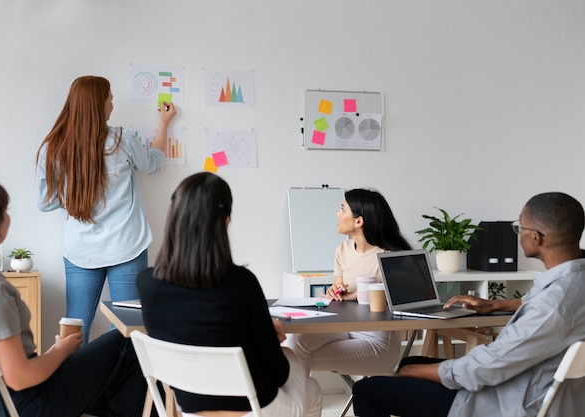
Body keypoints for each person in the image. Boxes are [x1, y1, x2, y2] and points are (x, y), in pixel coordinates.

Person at [352, 192, 585, 417]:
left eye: (519, 227)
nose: (518, 233)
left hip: (503, 400)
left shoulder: (552, 305)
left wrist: (416, 372)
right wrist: (494, 305)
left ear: (536, 237)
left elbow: (488, 368)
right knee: (411, 362)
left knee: (367, 390)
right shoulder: (573, 281)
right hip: (537, 384)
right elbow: (540, 305)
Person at [136, 172, 322, 417]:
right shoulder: (241, 284)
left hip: (190, 409)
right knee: (311, 385)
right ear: (225, 221)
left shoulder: (147, 283)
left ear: (175, 217)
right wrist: (265, 334)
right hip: (253, 410)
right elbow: (278, 373)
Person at [0, 178, 148, 417]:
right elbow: (19, 378)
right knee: (127, 342)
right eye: (5, 210)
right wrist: (62, 351)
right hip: (19, 404)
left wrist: (56, 351)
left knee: (108, 380)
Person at [35, 75, 177, 343]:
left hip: (80, 250)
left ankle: (75, 383)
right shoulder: (120, 139)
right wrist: (163, 124)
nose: (113, 103)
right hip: (127, 246)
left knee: (76, 326)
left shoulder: (54, 145)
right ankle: (116, 383)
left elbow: (43, 201)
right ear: (99, 104)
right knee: (127, 326)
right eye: (110, 98)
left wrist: (73, 194)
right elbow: (153, 165)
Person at [284, 188, 412, 376]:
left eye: (342, 208)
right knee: (292, 342)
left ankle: (298, 403)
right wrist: (334, 292)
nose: (337, 213)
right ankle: (298, 402)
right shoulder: (343, 250)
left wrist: (352, 295)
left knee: (292, 357)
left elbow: (394, 298)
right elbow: (339, 294)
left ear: (358, 221)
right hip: (343, 327)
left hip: (377, 342)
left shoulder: (389, 257)